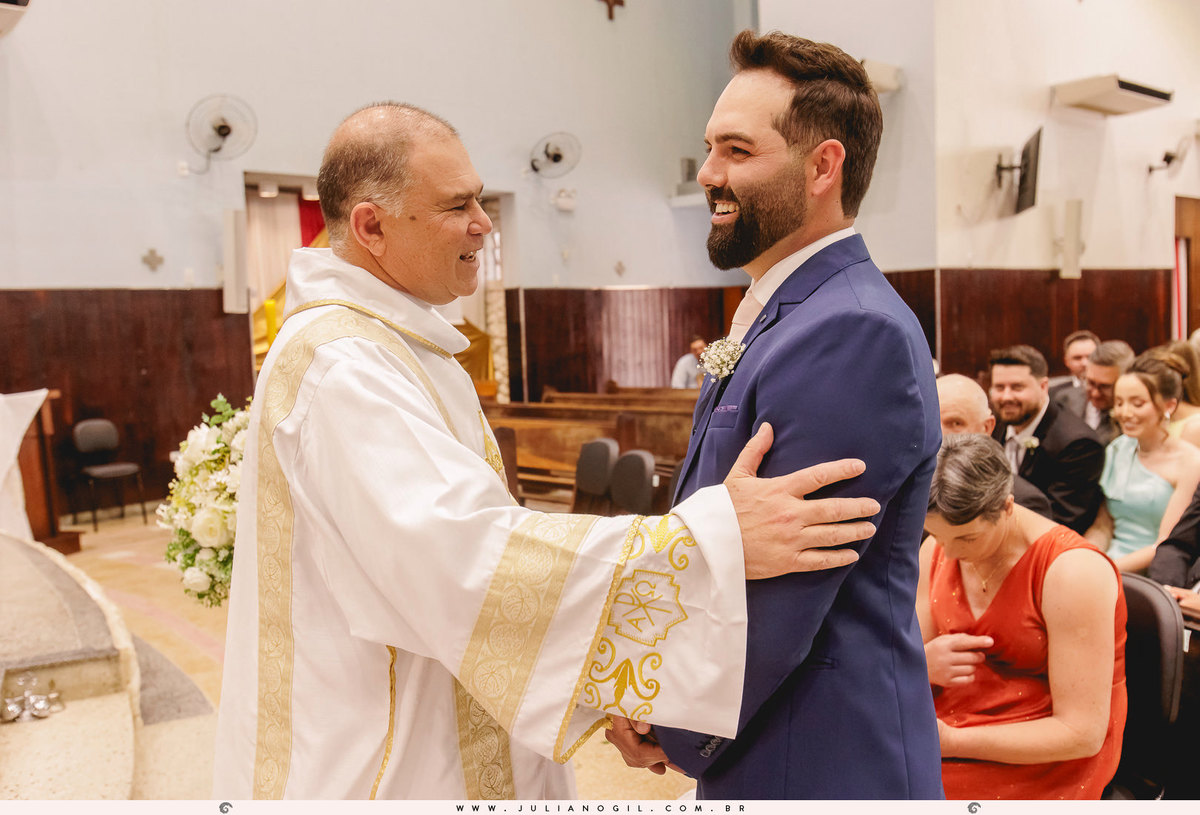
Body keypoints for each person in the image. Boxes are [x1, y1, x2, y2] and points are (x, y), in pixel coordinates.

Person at [211, 103, 881, 800]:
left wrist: (625, 678)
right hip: (380, 758)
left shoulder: (394, 340)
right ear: (371, 227)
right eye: (456, 205)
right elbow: (463, 556)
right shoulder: (343, 365)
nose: (484, 222)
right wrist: (707, 538)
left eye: (479, 198)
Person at [608, 31, 943, 798]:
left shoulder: (851, 328)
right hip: (771, 736)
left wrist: (666, 714)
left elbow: (787, 585)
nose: (708, 174)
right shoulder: (785, 310)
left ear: (823, 166)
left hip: (823, 751)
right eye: (709, 148)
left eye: (737, 151)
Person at [920, 434, 1127, 800]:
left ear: (1007, 506)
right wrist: (922, 663)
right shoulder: (939, 545)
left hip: (1044, 750)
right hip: (949, 722)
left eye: (967, 539)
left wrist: (952, 742)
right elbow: (907, 654)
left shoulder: (1073, 572)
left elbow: (1081, 733)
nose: (949, 552)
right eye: (937, 535)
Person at [1086, 351, 1200, 572]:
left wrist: (1107, 571)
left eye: (1137, 404)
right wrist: (1084, 556)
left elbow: (1166, 544)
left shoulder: (1191, 462)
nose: (1125, 413)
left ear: (1168, 406)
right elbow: (1103, 526)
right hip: (1109, 563)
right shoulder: (1117, 449)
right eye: (1119, 403)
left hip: (1156, 571)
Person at [988, 344, 1105, 533]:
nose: (1006, 397)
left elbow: (1061, 521)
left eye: (1017, 387)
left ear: (1043, 387)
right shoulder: (996, 423)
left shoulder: (1078, 444)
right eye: (999, 387)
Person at [937, 374, 1052, 518]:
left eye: (955, 424)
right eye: (932, 422)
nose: (939, 436)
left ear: (986, 428)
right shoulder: (910, 486)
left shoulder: (1024, 503)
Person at [1054, 340, 1134, 445]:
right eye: (1090, 383)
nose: (1095, 393)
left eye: (1105, 386)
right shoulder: (1064, 400)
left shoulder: (1132, 418)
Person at [1048, 330, 1100, 397]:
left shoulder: (1115, 389)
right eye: (1077, 358)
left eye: (1090, 357)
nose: (1084, 363)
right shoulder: (1053, 394)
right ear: (1066, 362)